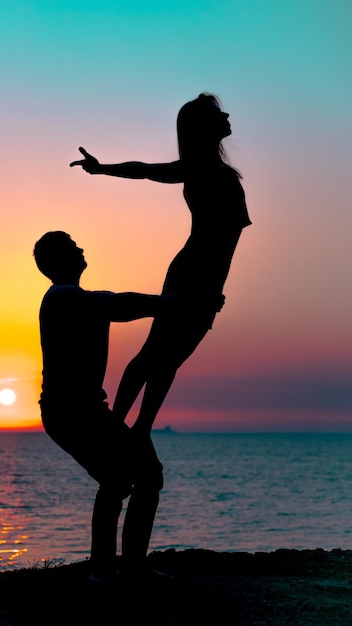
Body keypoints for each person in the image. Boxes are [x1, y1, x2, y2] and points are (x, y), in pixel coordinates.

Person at [70, 92, 252, 435]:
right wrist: (100, 168)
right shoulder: (201, 169)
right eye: (217, 113)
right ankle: (118, 424)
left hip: (203, 276)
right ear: (202, 127)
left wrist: (215, 287)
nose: (226, 115)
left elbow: (226, 244)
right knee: (154, 355)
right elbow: (145, 172)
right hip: (194, 273)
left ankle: (139, 429)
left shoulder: (214, 171)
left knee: (169, 359)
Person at [33, 230, 172, 584]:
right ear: (58, 261)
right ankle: (106, 570)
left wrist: (169, 304)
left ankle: (125, 566)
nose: (80, 248)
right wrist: (172, 303)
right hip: (70, 412)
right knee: (123, 477)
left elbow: (114, 304)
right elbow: (118, 304)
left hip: (85, 410)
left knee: (139, 476)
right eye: (71, 246)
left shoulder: (72, 297)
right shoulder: (63, 297)